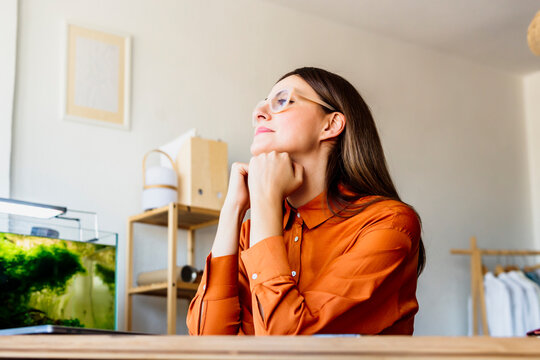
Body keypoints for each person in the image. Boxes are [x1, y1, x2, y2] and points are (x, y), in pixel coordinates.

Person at [186, 67, 426, 335]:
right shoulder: (250, 233)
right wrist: (232, 210)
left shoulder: (389, 223)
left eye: (281, 100)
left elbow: (286, 340)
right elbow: (207, 341)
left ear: (330, 124)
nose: (258, 114)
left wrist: (266, 200)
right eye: (262, 104)